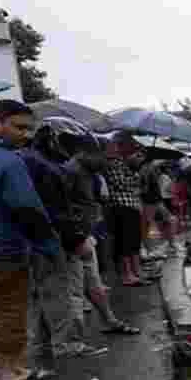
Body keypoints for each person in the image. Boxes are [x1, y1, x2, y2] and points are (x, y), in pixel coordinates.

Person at [0, 99, 58, 380]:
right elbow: (27, 208)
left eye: (29, 129)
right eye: (19, 127)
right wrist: (50, 247)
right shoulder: (6, 160)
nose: (26, 135)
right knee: (9, 310)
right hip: (2, 250)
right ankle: (10, 370)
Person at [20, 116, 110, 362]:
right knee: (61, 292)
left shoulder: (30, 161)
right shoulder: (46, 168)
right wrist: (76, 240)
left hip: (32, 241)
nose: (74, 152)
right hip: (50, 240)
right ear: (54, 140)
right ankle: (68, 344)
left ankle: (43, 346)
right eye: (71, 145)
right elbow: (56, 211)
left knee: (44, 296)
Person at [58, 122, 141, 337]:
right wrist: (76, 234)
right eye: (104, 158)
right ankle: (70, 340)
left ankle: (110, 321)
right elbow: (60, 207)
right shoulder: (70, 171)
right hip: (72, 238)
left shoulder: (89, 171)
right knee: (75, 289)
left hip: (85, 235)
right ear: (87, 153)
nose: (107, 164)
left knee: (93, 282)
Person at [101, 132, 151, 287]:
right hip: (121, 207)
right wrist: (134, 175)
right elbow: (122, 184)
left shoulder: (123, 163)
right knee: (125, 244)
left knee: (134, 242)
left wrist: (134, 170)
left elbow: (136, 187)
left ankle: (137, 272)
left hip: (132, 206)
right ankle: (127, 275)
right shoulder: (113, 163)